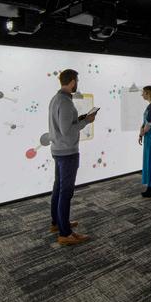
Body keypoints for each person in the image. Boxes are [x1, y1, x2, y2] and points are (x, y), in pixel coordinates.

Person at [48, 69, 96, 246]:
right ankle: (65, 234)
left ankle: (57, 223)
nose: (78, 84)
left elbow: (65, 125)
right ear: (73, 82)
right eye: (77, 81)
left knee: (58, 188)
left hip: (58, 150)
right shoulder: (65, 102)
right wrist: (86, 121)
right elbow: (67, 130)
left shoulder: (56, 99)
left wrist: (80, 119)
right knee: (65, 192)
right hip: (67, 152)